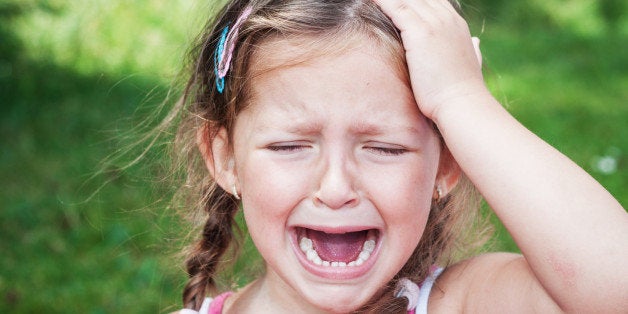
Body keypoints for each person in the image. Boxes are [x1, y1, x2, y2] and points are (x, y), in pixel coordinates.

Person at [169, 0, 628, 313]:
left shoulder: (459, 303)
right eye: (289, 146)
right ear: (225, 159)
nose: (335, 188)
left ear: (446, 166)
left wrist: (460, 97)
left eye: (385, 148)